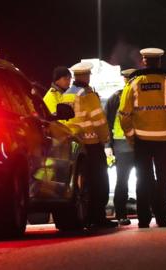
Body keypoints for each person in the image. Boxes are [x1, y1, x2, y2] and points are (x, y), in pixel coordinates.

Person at [118, 48, 166, 228]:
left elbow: (124, 114)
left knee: (143, 179)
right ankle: (163, 217)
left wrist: (131, 136)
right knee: (164, 179)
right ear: (159, 62)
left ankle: (143, 219)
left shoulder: (133, 83)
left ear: (144, 61)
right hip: (165, 140)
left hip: (142, 140)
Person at [61, 62, 117, 228]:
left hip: (76, 144)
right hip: (92, 143)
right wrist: (105, 139)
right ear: (85, 76)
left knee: (83, 184)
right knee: (99, 181)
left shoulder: (67, 94)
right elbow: (98, 120)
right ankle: (98, 217)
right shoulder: (87, 94)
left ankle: (86, 216)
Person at [104, 68, 137, 226]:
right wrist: (108, 145)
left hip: (124, 145)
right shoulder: (123, 97)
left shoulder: (116, 97)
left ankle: (122, 214)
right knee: (142, 179)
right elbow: (107, 122)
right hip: (132, 144)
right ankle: (142, 212)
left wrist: (109, 145)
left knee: (123, 181)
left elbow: (107, 123)